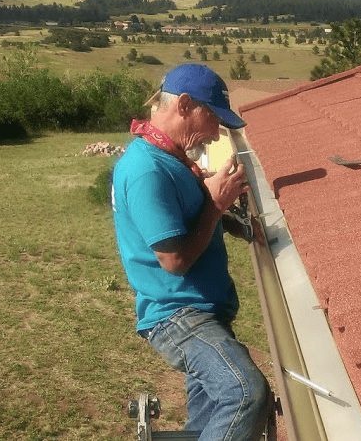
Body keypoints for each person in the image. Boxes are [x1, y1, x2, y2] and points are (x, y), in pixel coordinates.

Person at [112, 63, 272, 440]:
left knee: (209, 423)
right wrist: (216, 206)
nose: (216, 135)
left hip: (200, 314)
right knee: (245, 393)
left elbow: (188, 216)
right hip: (178, 317)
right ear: (184, 105)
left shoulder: (170, 159)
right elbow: (174, 260)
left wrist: (235, 222)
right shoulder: (147, 170)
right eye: (213, 118)